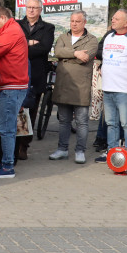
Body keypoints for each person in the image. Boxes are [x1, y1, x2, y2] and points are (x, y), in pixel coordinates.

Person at [49, 10, 99, 164]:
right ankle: (62, 149)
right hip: (63, 86)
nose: (74, 24)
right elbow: (57, 52)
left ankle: (80, 150)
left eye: (78, 21)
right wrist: (76, 53)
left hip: (80, 87)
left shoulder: (92, 40)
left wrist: (67, 57)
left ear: (84, 22)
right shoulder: (63, 37)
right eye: (72, 21)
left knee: (82, 122)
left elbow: (86, 58)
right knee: (64, 121)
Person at [0, 6, 29, 178]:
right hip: (11, 85)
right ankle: (5, 163)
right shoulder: (11, 30)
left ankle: (7, 166)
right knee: (5, 127)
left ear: (2, 18)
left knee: (6, 128)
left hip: (12, 86)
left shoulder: (11, 31)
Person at [95, 9, 127, 163]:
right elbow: (105, 57)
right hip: (108, 88)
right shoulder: (109, 37)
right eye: (113, 18)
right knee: (110, 123)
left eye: (116, 19)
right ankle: (112, 152)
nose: (112, 20)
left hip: (125, 89)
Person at [18, 0, 55, 160]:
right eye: (29, 7)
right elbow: (13, 44)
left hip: (37, 75)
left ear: (40, 10)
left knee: (30, 112)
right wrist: (30, 42)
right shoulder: (17, 25)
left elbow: (44, 48)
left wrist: (23, 45)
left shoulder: (48, 28)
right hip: (17, 74)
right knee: (16, 111)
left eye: (34, 8)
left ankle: (24, 146)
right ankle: (13, 144)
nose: (31, 10)